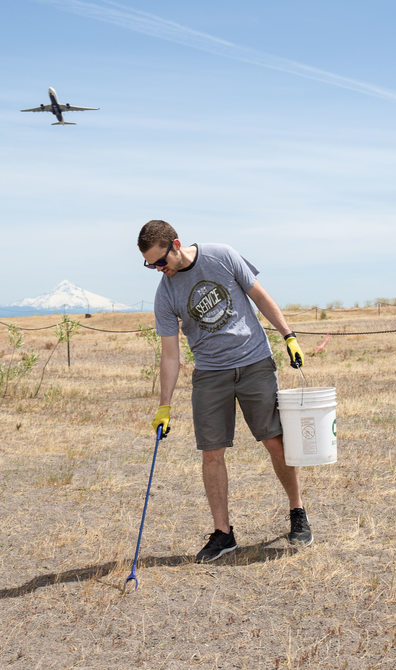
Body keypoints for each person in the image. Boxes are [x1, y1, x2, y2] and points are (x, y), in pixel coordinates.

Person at [137, 219, 312, 563]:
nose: (158, 270)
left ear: (175, 244)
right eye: (150, 265)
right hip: (210, 375)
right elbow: (170, 354)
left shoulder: (222, 256)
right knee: (211, 453)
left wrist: (288, 336)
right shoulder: (165, 293)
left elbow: (259, 296)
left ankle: (297, 511)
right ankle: (223, 533)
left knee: (274, 441)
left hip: (254, 363)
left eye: (161, 261)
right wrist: (164, 406)